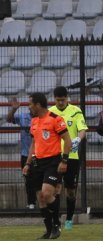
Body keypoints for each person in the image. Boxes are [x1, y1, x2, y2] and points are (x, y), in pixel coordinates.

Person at [22, 92, 71, 239]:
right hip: (38, 163)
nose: (29, 107)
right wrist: (28, 163)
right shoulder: (34, 121)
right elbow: (34, 143)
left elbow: (67, 140)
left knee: (46, 194)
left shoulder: (55, 119)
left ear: (38, 105)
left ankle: (56, 224)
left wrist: (64, 160)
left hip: (53, 161)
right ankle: (49, 230)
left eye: (30, 104)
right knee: (41, 199)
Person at [48, 86, 88, 230]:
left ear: (67, 98)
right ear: (54, 99)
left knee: (70, 190)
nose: (60, 103)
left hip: (72, 155)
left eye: (63, 100)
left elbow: (82, 129)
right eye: (58, 100)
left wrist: (78, 138)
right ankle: (56, 220)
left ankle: (69, 219)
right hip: (55, 155)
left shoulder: (75, 111)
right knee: (56, 188)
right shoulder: (50, 112)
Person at [6, 97, 36, 209]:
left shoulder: (43, 118)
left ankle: (42, 202)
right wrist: (14, 109)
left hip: (40, 154)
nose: (29, 106)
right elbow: (9, 119)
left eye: (31, 104)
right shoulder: (23, 116)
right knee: (28, 180)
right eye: (29, 104)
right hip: (25, 154)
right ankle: (31, 203)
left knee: (40, 179)